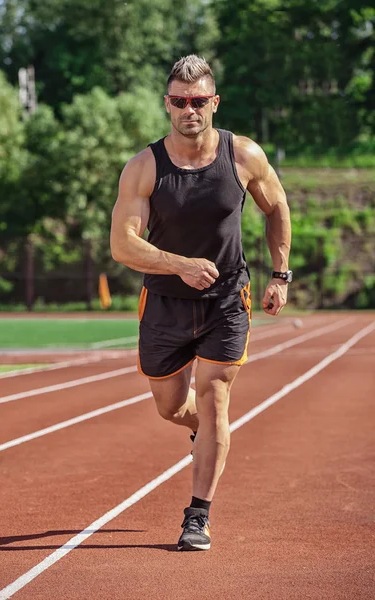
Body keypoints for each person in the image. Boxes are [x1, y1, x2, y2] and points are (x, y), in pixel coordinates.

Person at [110, 55, 291, 551]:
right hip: (165, 301)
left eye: (198, 101)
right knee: (171, 407)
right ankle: (203, 432)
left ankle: (197, 515)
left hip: (227, 299)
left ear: (214, 102)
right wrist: (178, 263)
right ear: (167, 105)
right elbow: (122, 244)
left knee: (214, 399)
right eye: (179, 101)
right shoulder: (145, 167)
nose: (189, 110)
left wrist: (281, 275)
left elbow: (276, 208)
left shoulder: (244, 155)